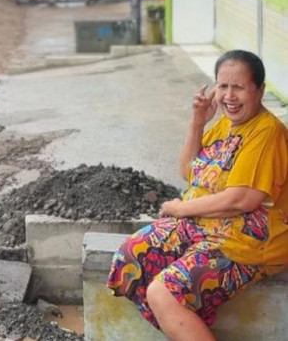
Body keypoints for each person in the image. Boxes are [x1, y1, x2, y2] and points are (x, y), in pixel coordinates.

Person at [107, 50, 288, 341]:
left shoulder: (266, 133)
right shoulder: (226, 123)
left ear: (260, 90)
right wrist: (198, 121)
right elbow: (188, 171)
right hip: (203, 226)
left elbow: (240, 201)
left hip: (246, 244)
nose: (229, 95)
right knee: (130, 256)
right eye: (223, 86)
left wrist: (182, 209)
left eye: (239, 87)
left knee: (164, 293)